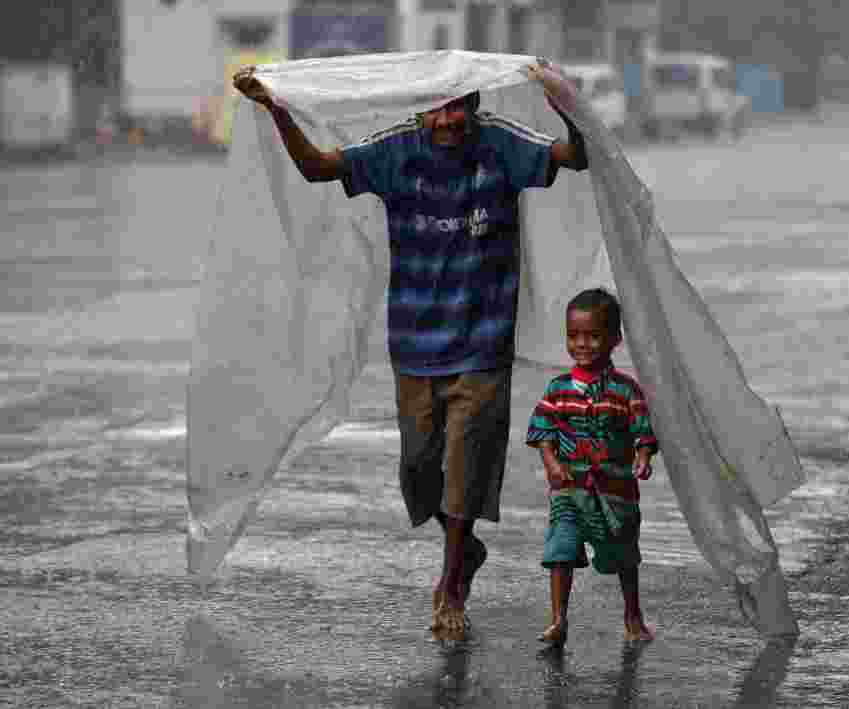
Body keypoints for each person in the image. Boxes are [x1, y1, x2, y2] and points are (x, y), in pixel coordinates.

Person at [232, 60, 588, 638]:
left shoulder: (499, 144)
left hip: (482, 341)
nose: (448, 120)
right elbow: (318, 168)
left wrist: (567, 105)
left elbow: (574, 157)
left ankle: (450, 584)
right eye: (438, 109)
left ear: (474, 106)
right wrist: (276, 107)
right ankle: (463, 547)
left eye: (458, 108)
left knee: (463, 471)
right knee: (421, 473)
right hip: (414, 342)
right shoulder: (397, 149)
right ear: (420, 110)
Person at [526, 288, 658, 648]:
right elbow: (541, 431)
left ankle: (633, 615)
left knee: (624, 555)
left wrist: (643, 458)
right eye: (573, 336)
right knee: (560, 549)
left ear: (615, 339)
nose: (582, 344)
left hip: (615, 492)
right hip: (569, 488)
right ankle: (558, 619)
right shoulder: (558, 389)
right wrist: (552, 463)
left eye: (592, 335)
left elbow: (643, 432)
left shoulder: (626, 390)